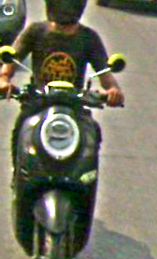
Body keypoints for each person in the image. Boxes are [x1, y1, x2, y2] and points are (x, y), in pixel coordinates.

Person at [0, 0, 125, 170]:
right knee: (22, 128)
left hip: (74, 106)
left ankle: (86, 177)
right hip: (38, 103)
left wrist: (113, 91)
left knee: (92, 132)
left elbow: (105, 75)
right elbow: (9, 66)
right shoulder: (35, 32)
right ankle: (20, 173)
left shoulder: (88, 38)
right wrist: (4, 81)